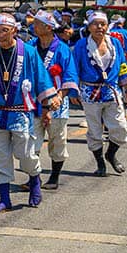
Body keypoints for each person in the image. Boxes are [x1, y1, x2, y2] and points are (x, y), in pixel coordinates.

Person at [0, 13, 58, 212]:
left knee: (26, 154)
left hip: (20, 112)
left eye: (4, 30)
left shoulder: (28, 52)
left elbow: (41, 79)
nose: (0, 34)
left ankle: (34, 180)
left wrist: (46, 107)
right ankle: (4, 198)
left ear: (14, 31)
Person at [73, 12, 127, 175]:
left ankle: (110, 154)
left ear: (107, 26)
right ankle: (100, 163)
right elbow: (74, 68)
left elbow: (123, 65)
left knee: (120, 128)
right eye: (95, 24)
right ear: (89, 26)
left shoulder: (115, 43)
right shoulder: (81, 45)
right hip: (89, 92)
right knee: (94, 130)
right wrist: (73, 91)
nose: (99, 27)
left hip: (112, 91)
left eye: (102, 24)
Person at [30, 11, 78, 189]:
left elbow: (70, 76)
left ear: (48, 28)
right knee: (31, 141)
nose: (33, 27)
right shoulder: (30, 47)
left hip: (57, 102)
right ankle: (33, 177)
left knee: (57, 141)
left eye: (37, 24)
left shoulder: (63, 49)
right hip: (33, 102)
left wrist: (60, 96)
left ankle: (54, 177)